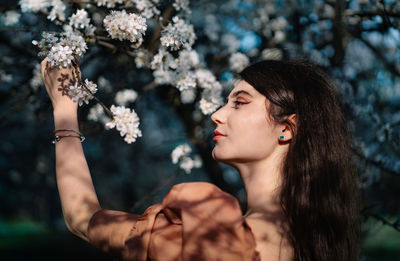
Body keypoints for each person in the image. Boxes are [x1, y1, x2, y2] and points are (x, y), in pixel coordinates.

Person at [41, 58, 361, 261]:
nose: (216, 115)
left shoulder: (209, 234)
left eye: (240, 102)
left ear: (287, 129)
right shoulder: (317, 240)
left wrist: (65, 109)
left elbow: (83, 219)